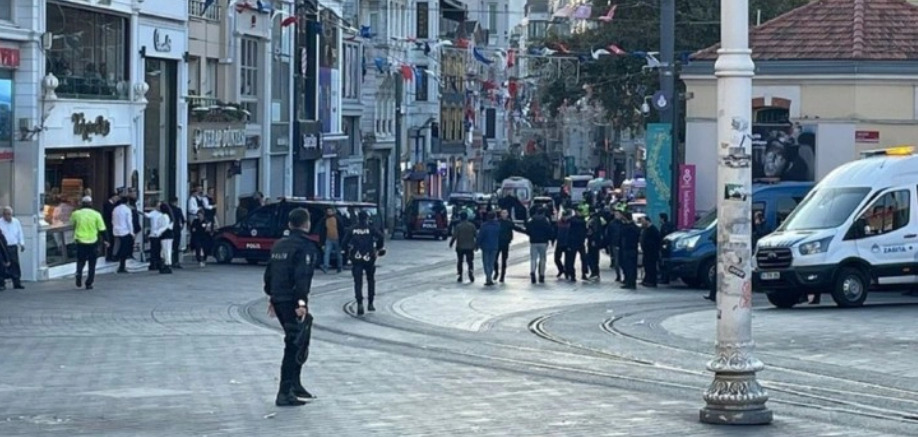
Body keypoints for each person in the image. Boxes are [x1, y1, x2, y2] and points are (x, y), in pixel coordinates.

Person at [263, 208, 319, 407]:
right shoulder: (305, 247)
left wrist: (271, 296)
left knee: (300, 336)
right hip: (291, 301)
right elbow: (302, 278)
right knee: (294, 342)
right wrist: (301, 304)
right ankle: (285, 392)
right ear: (306, 224)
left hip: (279, 299)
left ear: (289, 224)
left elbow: (269, 273)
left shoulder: (279, 245)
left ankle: (295, 384)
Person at [341, 211, 385, 315]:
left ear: (358, 218)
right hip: (369, 257)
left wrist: (347, 253)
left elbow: (344, 242)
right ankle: (370, 303)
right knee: (370, 280)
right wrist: (378, 248)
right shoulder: (370, 229)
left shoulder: (352, 229)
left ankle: (359, 303)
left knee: (358, 282)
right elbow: (381, 236)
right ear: (367, 218)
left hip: (356, 259)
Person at [70, 196, 107, 290]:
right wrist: (106, 240)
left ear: (82, 203)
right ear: (91, 203)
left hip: (80, 240)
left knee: (80, 260)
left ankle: (79, 273)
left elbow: (71, 224)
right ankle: (89, 283)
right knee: (92, 264)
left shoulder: (76, 214)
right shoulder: (96, 214)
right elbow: (102, 229)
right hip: (93, 241)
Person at [522, 207, 553, 284]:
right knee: (542, 259)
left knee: (533, 258)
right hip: (543, 242)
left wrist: (531, 235)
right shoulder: (546, 220)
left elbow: (527, 229)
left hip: (533, 241)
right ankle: (541, 275)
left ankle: (532, 271)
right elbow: (549, 230)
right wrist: (550, 238)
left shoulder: (532, 219)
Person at [0, 207, 25, 289]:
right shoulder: (0, 222)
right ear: (3, 215)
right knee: (3, 265)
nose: (8, 216)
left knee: (15, 264)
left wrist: (21, 243)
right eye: (6, 214)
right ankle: (2, 283)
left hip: (13, 245)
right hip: (3, 247)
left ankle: (16, 282)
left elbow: (19, 232)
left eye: (9, 214)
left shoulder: (16, 221)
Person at [449, 212, 477, 283]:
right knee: (470, 261)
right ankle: (470, 271)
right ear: (467, 217)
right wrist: (477, 245)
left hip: (460, 246)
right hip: (470, 247)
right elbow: (476, 235)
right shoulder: (472, 226)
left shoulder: (458, 226)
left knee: (460, 261)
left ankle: (460, 275)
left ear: (460, 218)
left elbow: (454, 236)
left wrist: (451, 243)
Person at [477, 211, 500, 286]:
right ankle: (489, 276)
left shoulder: (484, 226)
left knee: (486, 262)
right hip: (494, 246)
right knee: (491, 262)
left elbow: (480, 236)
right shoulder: (497, 225)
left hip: (485, 246)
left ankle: (488, 277)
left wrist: (477, 244)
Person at [317, 207, 344, 273]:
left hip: (337, 239)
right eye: (328, 211)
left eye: (330, 211)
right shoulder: (324, 219)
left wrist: (342, 240)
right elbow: (322, 231)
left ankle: (339, 267)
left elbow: (341, 229)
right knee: (327, 253)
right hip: (328, 239)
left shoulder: (337, 219)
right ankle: (326, 267)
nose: (329, 212)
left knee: (338, 254)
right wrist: (322, 241)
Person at [618, 212, 640, 290]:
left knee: (628, 266)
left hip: (628, 249)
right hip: (633, 249)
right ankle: (631, 282)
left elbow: (622, 234)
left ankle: (629, 282)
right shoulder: (635, 227)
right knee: (632, 267)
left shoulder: (627, 227)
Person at [111, 197, 134, 273]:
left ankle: (116, 257)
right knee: (124, 249)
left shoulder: (115, 209)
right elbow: (129, 222)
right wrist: (131, 232)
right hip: (125, 231)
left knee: (117, 246)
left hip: (116, 230)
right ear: (127, 202)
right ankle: (122, 266)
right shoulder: (127, 210)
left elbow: (113, 220)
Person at [565, 209, 587, 282]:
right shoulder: (581, 220)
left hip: (576, 242)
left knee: (574, 259)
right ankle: (581, 273)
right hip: (576, 242)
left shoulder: (572, 220)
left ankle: (575, 274)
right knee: (580, 258)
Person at [152, 202, 175, 274]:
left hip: (165, 235)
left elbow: (163, 227)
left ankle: (167, 265)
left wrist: (157, 233)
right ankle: (167, 264)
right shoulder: (169, 216)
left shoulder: (164, 216)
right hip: (168, 235)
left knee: (166, 250)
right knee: (167, 250)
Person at [639, 216, 661, 288]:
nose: (642, 223)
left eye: (643, 221)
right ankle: (646, 280)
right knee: (646, 266)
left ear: (647, 221)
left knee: (651, 267)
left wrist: (650, 245)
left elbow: (657, 241)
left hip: (652, 252)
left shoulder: (653, 230)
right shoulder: (645, 229)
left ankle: (652, 281)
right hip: (646, 252)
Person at [493, 209, 514, 283]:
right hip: (498, 243)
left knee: (504, 260)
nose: (504, 214)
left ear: (507, 214)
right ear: (501, 214)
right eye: (503, 213)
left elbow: (516, 228)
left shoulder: (509, 222)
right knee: (494, 259)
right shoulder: (497, 222)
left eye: (505, 213)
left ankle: (502, 275)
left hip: (505, 243)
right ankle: (496, 271)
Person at [585, 209, 605, 282]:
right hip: (594, 241)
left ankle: (594, 273)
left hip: (593, 241)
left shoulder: (594, 220)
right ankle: (595, 273)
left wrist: (593, 239)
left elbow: (595, 231)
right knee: (593, 257)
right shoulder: (597, 219)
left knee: (592, 257)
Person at [144, 199, 163, 271]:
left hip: (160, 234)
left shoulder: (163, 214)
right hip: (153, 234)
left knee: (159, 250)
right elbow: (147, 215)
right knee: (153, 250)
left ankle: (158, 264)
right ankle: (153, 264)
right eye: (158, 206)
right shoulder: (153, 213)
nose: (159, 207)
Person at [658, 213, 676, 284]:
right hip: (668, 247)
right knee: (665, 262)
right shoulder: (670, 225)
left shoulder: (665, 226)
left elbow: (663, 236)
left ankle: (665, 278)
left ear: (662, 218)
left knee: (664, 262)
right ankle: (665, 277)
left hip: (665, 247)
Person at [605, 210, 623, 282]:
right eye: (615, 214)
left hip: (622, 244)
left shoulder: (623, 223)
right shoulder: (612, 224)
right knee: (616, 261)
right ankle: (618, 275)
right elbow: (608, 234)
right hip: (614, 244)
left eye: (618, 214)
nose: (617, 216)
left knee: (622, 261)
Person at [554, 211, 572, 278]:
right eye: (564, 216)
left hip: (568, 243)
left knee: (567, 259)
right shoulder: (558, 222)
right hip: (560, 242)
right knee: (556, 258)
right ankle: (561, 269)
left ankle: (567, 272)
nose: (565, 217)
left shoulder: (571, 223)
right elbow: (555, 231)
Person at [170, 197, 185, 269]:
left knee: (170, 246)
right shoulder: (178, 210)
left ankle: (170, 261)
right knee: (176, 246)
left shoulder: (169, 209)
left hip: (171, 229)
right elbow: (182, 219)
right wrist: (181, 227)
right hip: (176, 229)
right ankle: (175, 261)